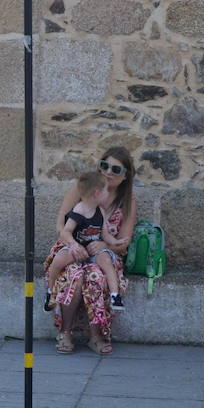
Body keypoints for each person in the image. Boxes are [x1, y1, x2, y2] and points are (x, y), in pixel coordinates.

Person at [44, 147, 137, 355]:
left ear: (125, 176)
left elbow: (124, 240)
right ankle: (65, 332)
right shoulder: (81, 189)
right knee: (74, 274)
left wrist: (106, 245)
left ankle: (96, 336)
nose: (108, 172)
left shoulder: (128, 202)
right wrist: (74, 245)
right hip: (72, 248)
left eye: (116, 169)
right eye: (104, 165)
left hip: (103, 254)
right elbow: (61, 225)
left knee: (95, 274)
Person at [44, 171, 124, 311]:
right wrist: (73, 245)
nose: (108, 192)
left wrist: (115, 242)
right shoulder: (79, 210)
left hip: (93, 252)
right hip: (77, 249)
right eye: (106, 190)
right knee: (59, 259)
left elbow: (104, 234)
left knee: (105, 259)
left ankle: (115, 296)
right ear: (97, 193)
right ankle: (50, 292)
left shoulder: (101, 211)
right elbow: (66, 231)